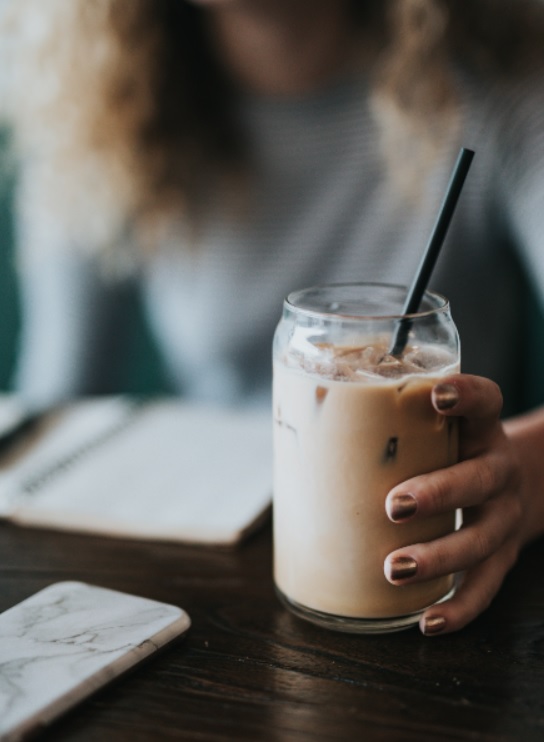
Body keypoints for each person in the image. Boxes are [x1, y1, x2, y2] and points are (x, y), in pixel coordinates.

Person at [1, 0, 544, 635]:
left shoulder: (499, 86)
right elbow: (54, 402)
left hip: (439, 559)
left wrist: (527, 475)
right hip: (210, 572)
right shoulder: (99, 112)